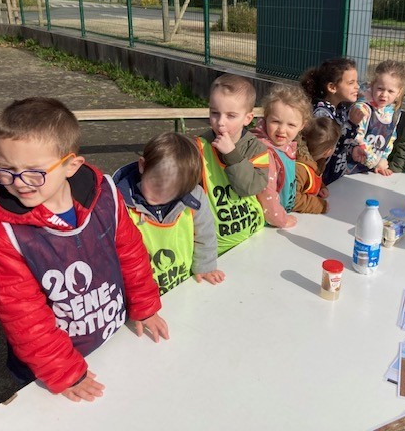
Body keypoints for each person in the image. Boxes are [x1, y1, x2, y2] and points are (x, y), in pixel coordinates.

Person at [0, 98, 168, 403]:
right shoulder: (4, 235)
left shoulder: (105, 195)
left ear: (71, 166)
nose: (19, 182)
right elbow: (23, 317)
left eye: (34, 172)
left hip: (112, 335)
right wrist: (64, 371)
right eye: (6, 169)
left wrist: (145, 304)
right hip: (50, 367)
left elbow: (130, 253)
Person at [113, 132, 224, 294]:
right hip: (140, 291)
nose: (162, 196)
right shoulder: (118, 204)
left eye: (172, 192)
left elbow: (205, 234)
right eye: (157, 184)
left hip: (183, 284)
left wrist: (205, 266)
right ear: (142, 165)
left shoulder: (194, 196)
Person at [196, 74, 269, 254]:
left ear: (247, 118)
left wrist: (231, 154)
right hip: (217, 244)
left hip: (252, 233)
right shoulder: (200, 146)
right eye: (215, 113)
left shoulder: (256, 148)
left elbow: (251, 187)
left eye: (231, 116)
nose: (220, 122)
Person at [250, 84, 310, 227]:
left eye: (291, 125)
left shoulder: (285, 145)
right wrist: (281, 220)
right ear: (266, 118)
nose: (282, 130)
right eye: (276, 121)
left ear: (302, 125)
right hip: (267, 222)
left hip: (279, 214)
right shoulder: (265, 152)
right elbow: (266, 192)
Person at [300, 57, 364, 185]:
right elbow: (328, 145)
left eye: (357, 82)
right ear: (332, 87)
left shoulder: (340, 108)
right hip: (322, 181)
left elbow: (342, 145)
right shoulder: (321, 114)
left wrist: (352, 149)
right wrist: (351, 125)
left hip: (335, 176)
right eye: (351, 83)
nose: (357, 87)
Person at [347, 60, 405, 176]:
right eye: (380, 88)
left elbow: (391, 138)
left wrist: (383, 158)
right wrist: (375, 161)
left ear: (399, 92)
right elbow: (357, 137)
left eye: (390, 91)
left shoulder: (393, 112)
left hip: (372, 170)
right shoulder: (362, 109)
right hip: (351, 168)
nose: (384, 94)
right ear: (372, 85)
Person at [293, 116, 342, 214]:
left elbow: (311, 179)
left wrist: (320, 187)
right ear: (328, 151)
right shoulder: (300, 169)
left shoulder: (317, 162)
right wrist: (319, 205)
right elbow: (292, 200)